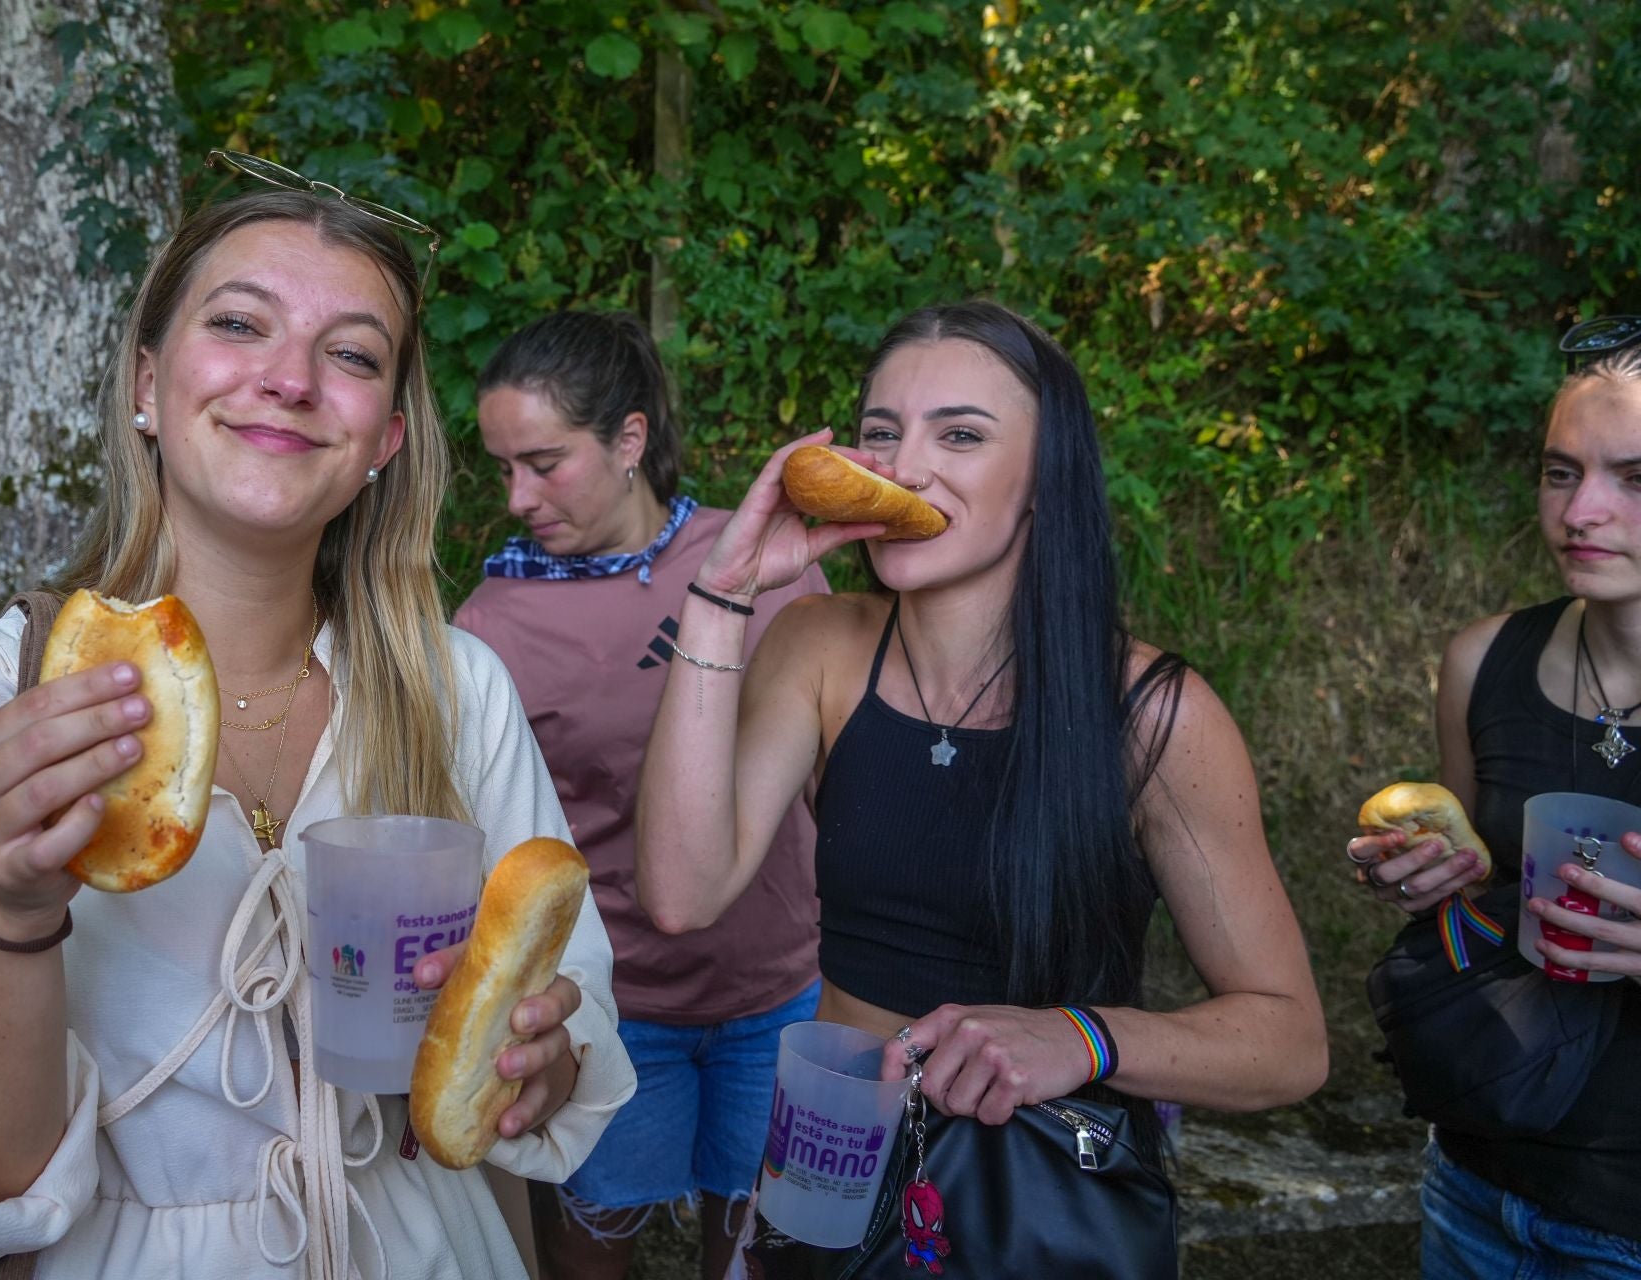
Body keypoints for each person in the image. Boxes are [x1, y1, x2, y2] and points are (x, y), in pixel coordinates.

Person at [0, 154, 634, 1280]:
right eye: (241, 324)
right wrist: (13, 904)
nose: (291, 379)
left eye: (351, 354)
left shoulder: (459, 694)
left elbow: (567, 1007)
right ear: (147, 384)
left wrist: (542, 1056)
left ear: (387, 440)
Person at [635, 300, 1329, 1272]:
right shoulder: (820, 647)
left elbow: (1290, 1039)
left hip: (1038, 1198)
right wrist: (721, 596)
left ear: (1045, 481)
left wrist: (1080, 1036)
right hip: (824, 1169)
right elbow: (681, 888)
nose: (906, 466)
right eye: (883, 433)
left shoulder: (1156, 715)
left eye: (959, 433)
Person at [453, 310, 826, 1280]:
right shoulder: (492, 622)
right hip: (613, 1008)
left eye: (543, 461)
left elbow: (841, 777)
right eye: (502, 468)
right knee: (587, 1258)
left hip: (780, 991)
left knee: (759, 1259)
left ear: (629, 439)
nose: (517, 497)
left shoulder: (758, 561)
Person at [1345, 334, 1641, 1275]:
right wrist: (1429, 880)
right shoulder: (1483, 663)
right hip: (1477, 1189)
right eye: (1562, 471)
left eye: (1636, 478)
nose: (1581, 512)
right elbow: (1473, 902)